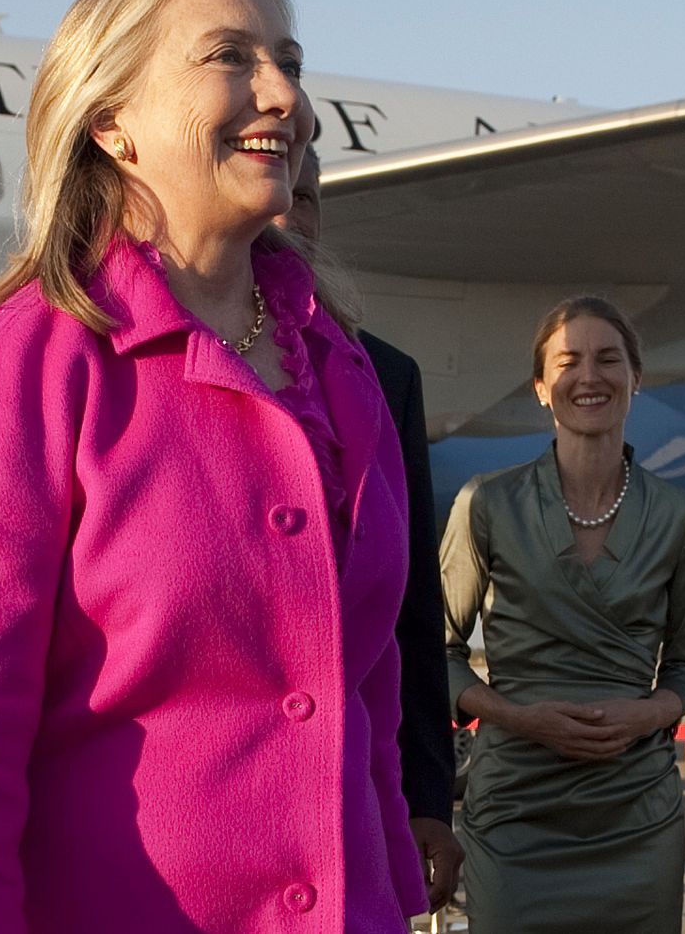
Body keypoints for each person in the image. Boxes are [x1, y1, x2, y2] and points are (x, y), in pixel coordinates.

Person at [0, 0, 429, 932]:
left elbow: (371, 713)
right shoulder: (31, 367)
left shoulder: (344, 370)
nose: (283, 95)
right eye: (231, 57)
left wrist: (394, 896)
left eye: (291, 63)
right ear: (111, 121)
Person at [442, 296, 685, 933]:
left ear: (636, 378)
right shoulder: (486, 503)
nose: (589, 377)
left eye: (608, 359)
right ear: (540, 387)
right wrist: (517, 716)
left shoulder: (682, 517)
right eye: (568, 362)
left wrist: (649, 711)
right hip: (515, 814)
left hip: (635, 815)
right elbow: (435, 650)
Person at [279, 144, 464, 910]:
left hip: (349, 778)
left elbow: (413, 611)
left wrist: (427, 796)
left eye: (308, 195)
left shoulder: (380, 375)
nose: (288, 211)